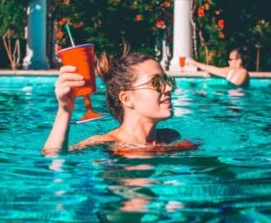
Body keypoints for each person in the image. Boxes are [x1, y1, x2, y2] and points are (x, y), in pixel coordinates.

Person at [43, 52, 198, 156]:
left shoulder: (170, 137)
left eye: (166, 80)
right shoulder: (105, 143)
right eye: (157, 82)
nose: (169, 88)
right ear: (126, 99)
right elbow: (54, 159)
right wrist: (65, 110)